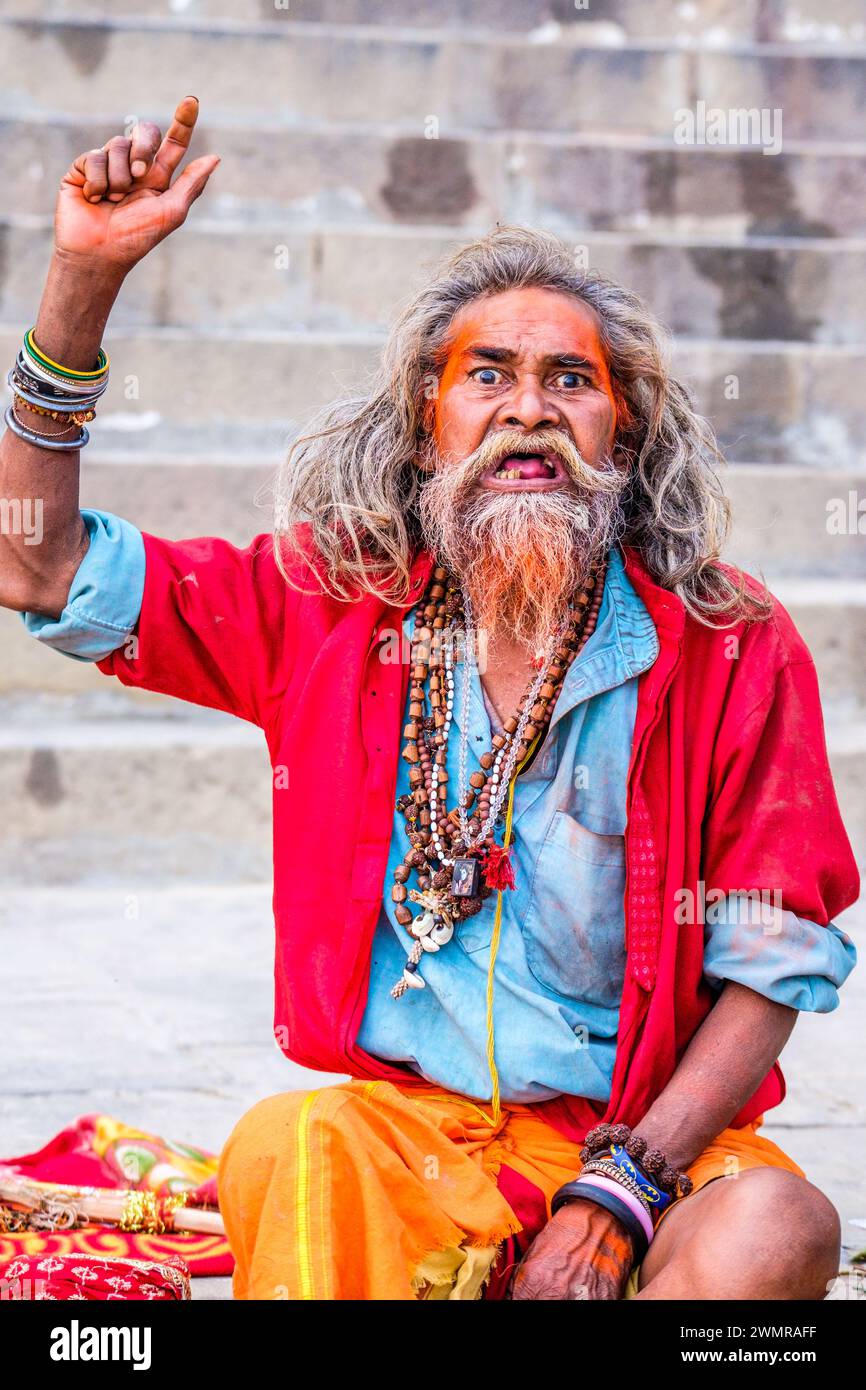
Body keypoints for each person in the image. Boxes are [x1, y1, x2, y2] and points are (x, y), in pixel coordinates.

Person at [0, 97, 859, 1302]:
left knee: (775, 1229)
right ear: (424, 428)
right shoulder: (323, 602)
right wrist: (81, 280)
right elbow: (35, 565)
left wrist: (619, 1193)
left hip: (648, 1148)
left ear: (622, 433)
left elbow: (773, 958)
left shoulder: (730, 643)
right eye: (487, 376)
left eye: (571, 379)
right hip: (410, 1146)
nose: (527, 408)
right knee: (292, 1145)